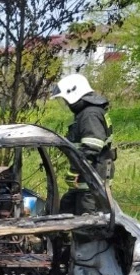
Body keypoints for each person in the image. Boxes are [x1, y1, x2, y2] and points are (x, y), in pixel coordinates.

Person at [51, 73, 115, 215]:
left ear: (74, 94)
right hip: (86, 179)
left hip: (92, 179)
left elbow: (92, 146)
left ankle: (87, 238)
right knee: (66, 210)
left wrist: (75, 170)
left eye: (66, 99)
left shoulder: (89, 114)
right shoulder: (87, 113)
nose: (66, 104)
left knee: (87, 222)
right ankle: (61, 236)